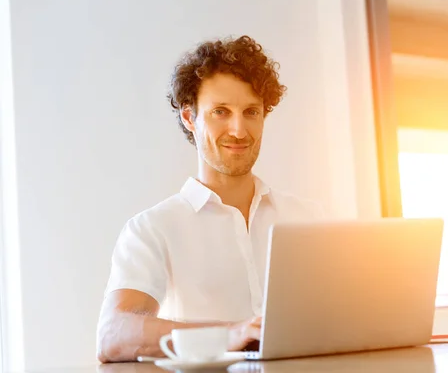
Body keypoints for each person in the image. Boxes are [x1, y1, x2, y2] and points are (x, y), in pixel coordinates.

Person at [96, 35, 321, 362]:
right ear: (190, 117)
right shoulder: (153, 228)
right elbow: (112, 334)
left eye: (251, 112)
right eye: (220, 111)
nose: (239, 130)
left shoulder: (310, 218)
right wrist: (231, 335)